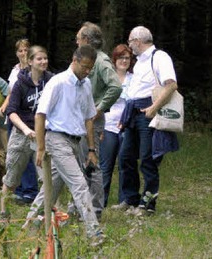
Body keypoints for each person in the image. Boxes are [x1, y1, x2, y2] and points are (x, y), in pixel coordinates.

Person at [27, 45, 102, 239]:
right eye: (84, 66)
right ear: (74, 60)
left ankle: (29, 225)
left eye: (90, 68)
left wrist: (91, 149)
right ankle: (95, 234)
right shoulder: (58, 82)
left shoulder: (85, 84)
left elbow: (88, 118)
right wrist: (41, 147)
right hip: (56, 139)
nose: (87, 71)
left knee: (51, 188)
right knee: (79, 184)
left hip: (76, 142)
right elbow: (40, 115)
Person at [115, 26, 178, 215]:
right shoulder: (140, 61)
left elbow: (171, 84)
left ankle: (147, 204)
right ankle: (130, 198)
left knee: (147, 159)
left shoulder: (159, 57)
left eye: (130, 41)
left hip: (147, 112)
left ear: (137, 41)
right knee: (125, 157)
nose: (129, 45)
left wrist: (154, 107)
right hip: (133, 112)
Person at [74, 22, 123, 218]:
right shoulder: (90, 60)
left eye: (78, 39)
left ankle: (95, 209)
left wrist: (100, 108)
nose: (76, 42)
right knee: (81, 163)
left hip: (92, 121)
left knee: (92, 162)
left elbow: (116, 87)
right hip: (81, 119)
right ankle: (81, 206)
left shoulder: (101, 62)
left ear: (86, 40)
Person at [0, 45, 53, 218]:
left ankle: (50, 214)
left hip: (43, 136)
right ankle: (3, 211)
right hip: (22, 134)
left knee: (48, 177)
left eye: (45, 58)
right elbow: (11, 111)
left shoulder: (51, 81)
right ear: (30, 62)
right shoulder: (20, 84)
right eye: (39, 59)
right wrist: (26, 129)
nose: (43, 62)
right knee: (12, 178)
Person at [0, 39, 40, 205]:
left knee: (29, 155)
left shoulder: (34, 70)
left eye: (26, 50)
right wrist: (3, 107)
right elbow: (11, 93)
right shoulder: (15, 71)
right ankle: (18, 189)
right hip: (13, 117)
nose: (23, 53)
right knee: (14, 156)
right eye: (20, 51)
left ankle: (30, 191)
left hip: (29, 120)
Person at [102, 44, 133, 208]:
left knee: (124, 164)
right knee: (105, 166)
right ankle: (101, 200)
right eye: (121, 57)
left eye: (127, 58)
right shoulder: (108, 77)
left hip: (126, 127)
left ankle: (124, 201)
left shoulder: (133, 79)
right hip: (108, 126)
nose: (124, 61)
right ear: (114, 59)